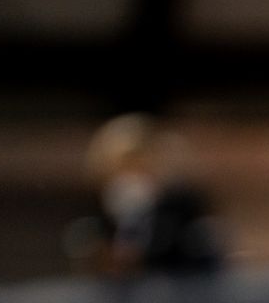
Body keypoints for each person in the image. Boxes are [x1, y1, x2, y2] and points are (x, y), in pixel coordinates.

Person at [69, 113, 225, 278]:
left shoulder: (184, 211)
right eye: (124, 165)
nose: (132, 175)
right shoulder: (94, 218)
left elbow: (203, 269)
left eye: (141, 164)